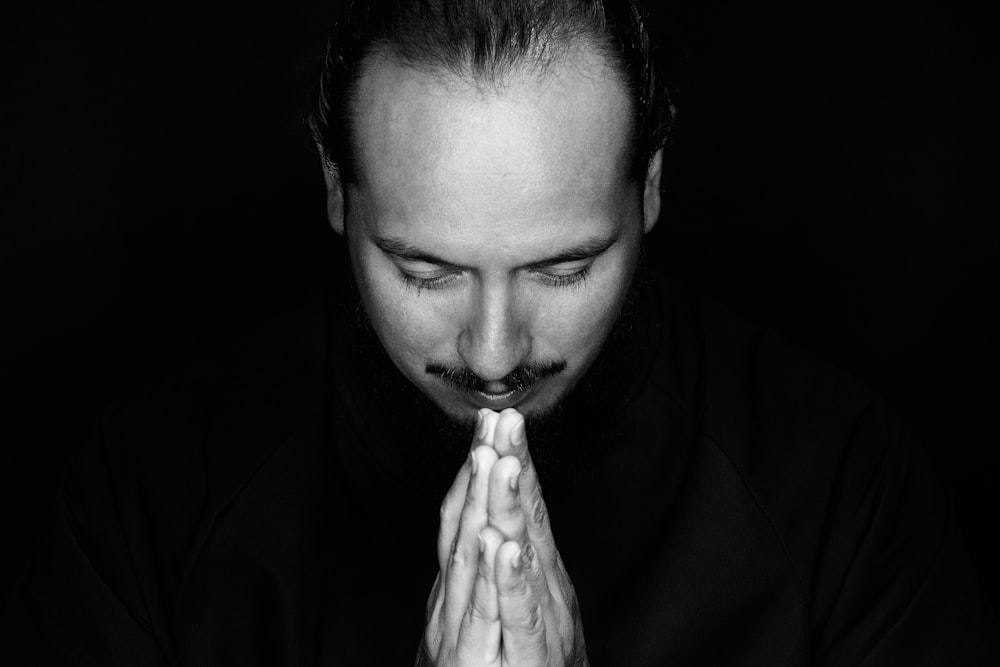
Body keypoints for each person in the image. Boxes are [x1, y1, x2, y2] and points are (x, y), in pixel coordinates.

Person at [2, 0, 997, 664]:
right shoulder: (147, 505)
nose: (492, 352)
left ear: (649, 187)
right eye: (425, 270)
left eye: (561, 268)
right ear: (333, 188)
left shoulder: (840, 496)